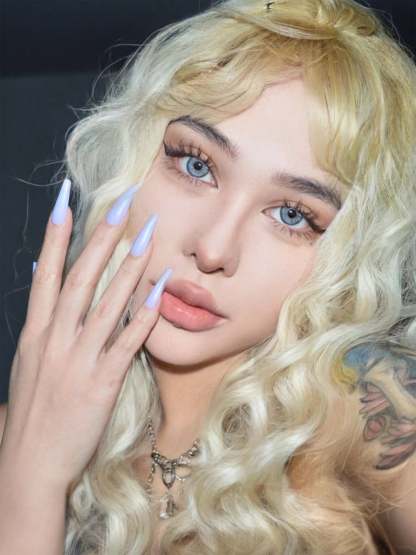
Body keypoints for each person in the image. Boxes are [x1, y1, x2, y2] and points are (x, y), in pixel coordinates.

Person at [0, 0, 415, 553]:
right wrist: (33, 477)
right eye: (197, 165)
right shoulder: (16, 437)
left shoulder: (366, 408)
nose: (214, 248)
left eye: (293, 215)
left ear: (349, 253)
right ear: (131, 160)